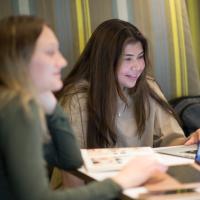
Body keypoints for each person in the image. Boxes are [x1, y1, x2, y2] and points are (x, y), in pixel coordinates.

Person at [0, 15, 167, 200]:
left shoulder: (24, 103)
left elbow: (71, 160)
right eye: (50, 52)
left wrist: (52, 105)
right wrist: (122, 181)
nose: (62, 62)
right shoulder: (16, 110)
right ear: (19, 59)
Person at [56, 19, 200, 186]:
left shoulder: (148, 88)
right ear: (106, 61)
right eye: (128, 59)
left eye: (140, 57)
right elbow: (71, 169)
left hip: (135, 188)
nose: (137, 66)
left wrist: (192, 141)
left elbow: (170, 141)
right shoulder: (77, 99)